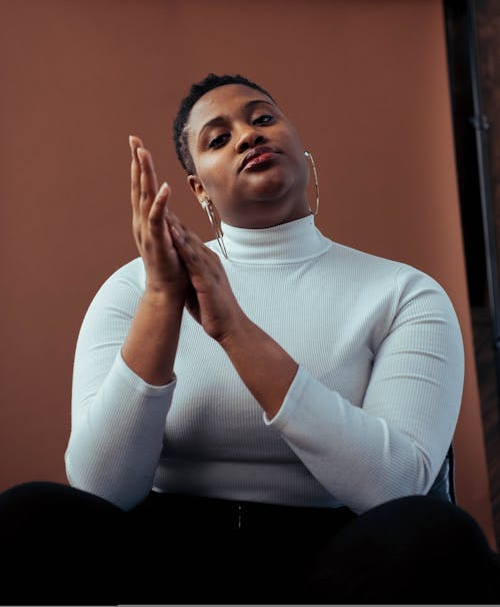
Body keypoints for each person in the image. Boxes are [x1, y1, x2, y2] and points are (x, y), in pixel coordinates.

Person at [1, 72, 500, 606]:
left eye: (263, 118)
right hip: (162, 559)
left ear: (299, 145)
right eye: (218, 138)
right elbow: (100, 488)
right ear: (198, 187)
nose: (248, 135)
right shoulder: (131, 290)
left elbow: (396, 488)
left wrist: (233, 330)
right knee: (27, 516)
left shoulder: (404, 293)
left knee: (437, 536)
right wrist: (162, 301)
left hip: (336, 561)